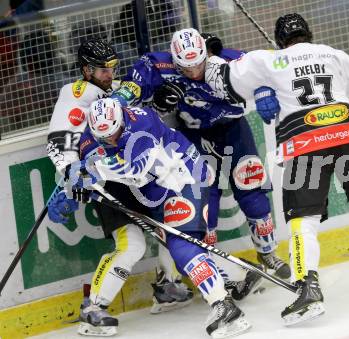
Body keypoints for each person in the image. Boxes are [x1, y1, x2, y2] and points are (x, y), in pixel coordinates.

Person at [204, 13, 349, 326]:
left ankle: (308, 288)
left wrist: (214, 54)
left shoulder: (268, 61)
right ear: (310, 33)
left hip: (304, 146)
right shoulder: (336, 55)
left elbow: (222, 82)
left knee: (303, 219)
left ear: (280, 41)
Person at [59, 97, 252, 338]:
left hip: (186, 179)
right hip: (158, 192)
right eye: (104, 136)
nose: (111, 139)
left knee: (181, 244)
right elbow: (90, 164)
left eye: (115, 132)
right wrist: (74, 181)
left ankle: (223, 305)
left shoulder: (142, 123)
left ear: (122, 118)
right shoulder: (92, 135)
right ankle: (237, 276)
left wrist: (88, 173)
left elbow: (134, 172)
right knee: (181, 250)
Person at [112, 28, 291, 281]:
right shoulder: (158, 66)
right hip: (194, 136)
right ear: (174, 61)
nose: (195, 73)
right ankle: (217, 271)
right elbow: (126, 101)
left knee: (253, 195)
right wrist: (154, 104)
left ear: (207, 52)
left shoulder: (231, 60)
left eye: (199, 65)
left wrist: (265, 90)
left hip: (234, 131)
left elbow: (273, 68)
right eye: (186, 68)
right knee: (206, 204)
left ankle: (268, 252)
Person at [46, 38, 193, 321]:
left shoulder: (115, 91)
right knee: (132, 245)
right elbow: (59, 140)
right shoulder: (75, 95)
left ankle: (168, 285)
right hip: (107, 181)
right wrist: (70, 172)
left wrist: (159, 103)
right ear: (87, 70)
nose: (110, 74)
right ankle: (94, 307)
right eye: (103, 69)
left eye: (113, 67)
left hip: (140, 176)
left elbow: (141, 119)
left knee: (173, 226)